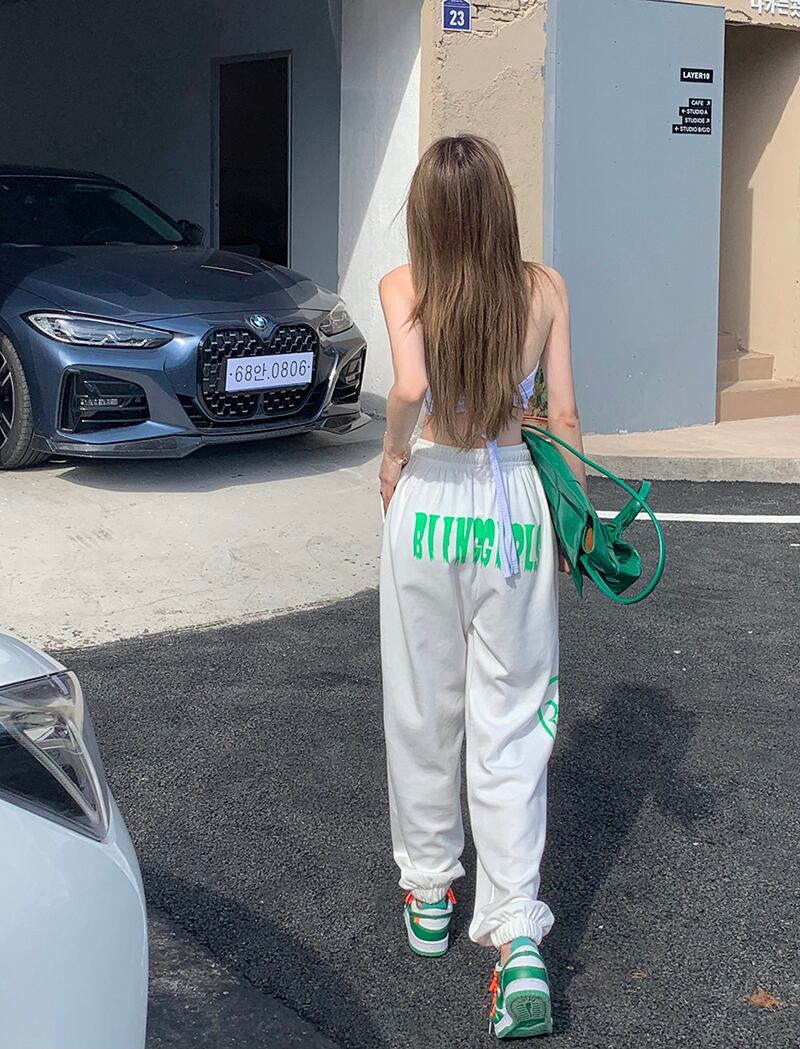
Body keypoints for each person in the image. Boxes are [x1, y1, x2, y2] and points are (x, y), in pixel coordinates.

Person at [377, 134, 586, 1040]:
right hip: (513, 506)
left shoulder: (404, 285)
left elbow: (410, 384)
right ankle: (516, 938)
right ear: (500, 204)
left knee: (423, 703)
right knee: (514, 715)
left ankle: (430, 893)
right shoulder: (544, 289)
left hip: (429, 501)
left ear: (425, 212)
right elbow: (563, 413)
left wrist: (391, 456)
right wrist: (574, 518)